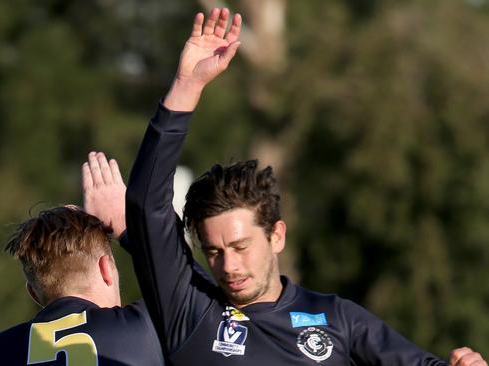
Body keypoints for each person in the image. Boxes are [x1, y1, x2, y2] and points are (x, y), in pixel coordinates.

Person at [118, 7, 487, 365]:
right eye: (213, 252)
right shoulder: (189, 309)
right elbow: (146, 203)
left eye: (240, 246)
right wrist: (187, 85)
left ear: (277, 235)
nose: (228, 265)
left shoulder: (338, 319)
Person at [0, 204, 164, 366]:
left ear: (33, 293)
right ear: (106, 268)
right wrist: (127, 230)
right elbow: (189, 285)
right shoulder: (147, 328)